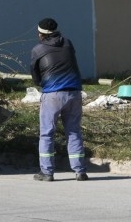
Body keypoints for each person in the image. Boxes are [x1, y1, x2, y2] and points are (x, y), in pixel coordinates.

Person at [30, 17, 88, 182]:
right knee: (74, 131)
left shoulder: (38, 50)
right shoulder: (68, 43)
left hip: (53, 95)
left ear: (40, 33)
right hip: (74, 93)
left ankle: (47, 172)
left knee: (47, 134)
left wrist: (43, 84)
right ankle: (80, 171)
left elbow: (35, 77)